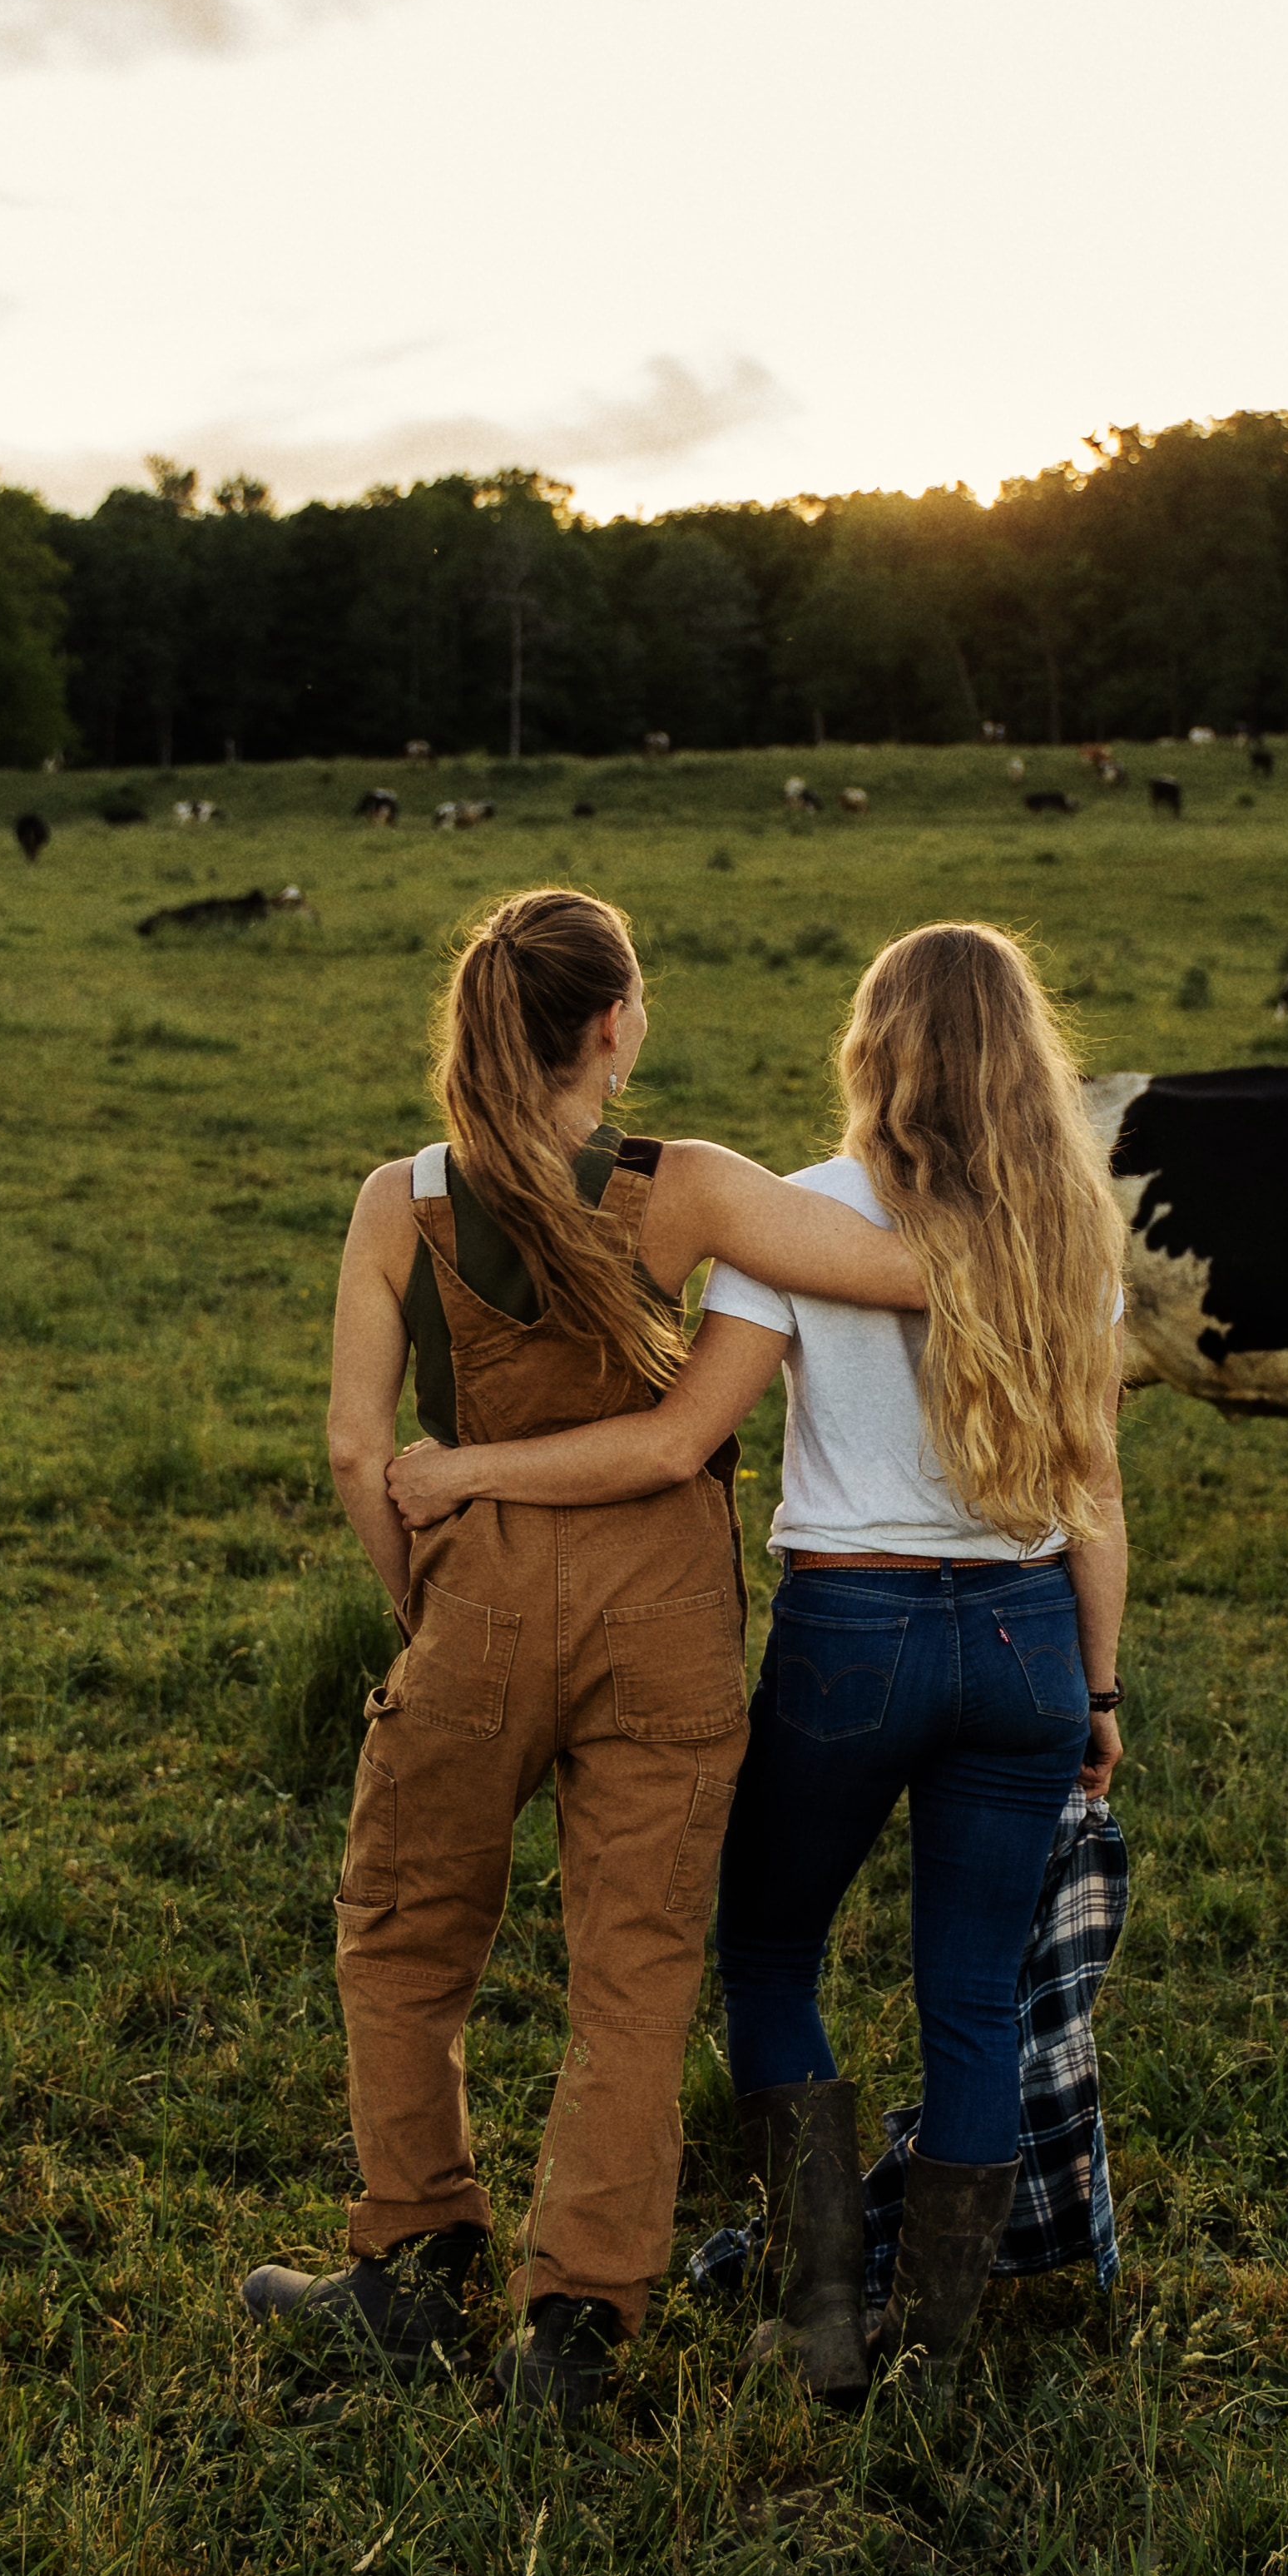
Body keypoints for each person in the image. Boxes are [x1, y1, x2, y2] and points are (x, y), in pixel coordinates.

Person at [393, 921, 1129, 2401]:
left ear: (873, 1047)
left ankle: (821, 2318)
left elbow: (680, 1440)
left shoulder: (799, 1211)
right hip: (1031, 1634)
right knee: (973, 1997)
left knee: (771, 1948)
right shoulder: (1070, 1231)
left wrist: (469, 1471)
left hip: (854, 1635)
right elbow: (1098, 1490)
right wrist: (1099, 1690)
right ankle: (935, 2354)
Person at [241, 888, 933, 2420]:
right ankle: (575, 2324)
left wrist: (432, 1603)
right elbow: (910, 1275)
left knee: (406, 1936)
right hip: (667, 1616)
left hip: (472, 1588)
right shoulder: (684, 1192)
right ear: (615, 1024)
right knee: (634, 1976)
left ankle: (413, 2262)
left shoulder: (392, 1203)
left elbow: (361, 1453)